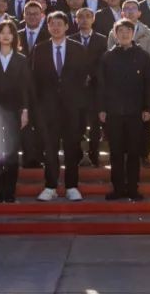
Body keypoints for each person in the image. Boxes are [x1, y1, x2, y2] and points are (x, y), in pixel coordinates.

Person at [31, 11, 91, 201]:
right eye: (52, 24)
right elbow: (35, 80)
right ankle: (50, 186)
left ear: (66, 26)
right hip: (48, 109)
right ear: (48, 26)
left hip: (72, 108)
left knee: (72, 148)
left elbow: (83, 77)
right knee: (50, 148)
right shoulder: (39, 49)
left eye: (59, 24)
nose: (56, 27)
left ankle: (72, 186)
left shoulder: (78, 48)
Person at [98, 19, 150, 201]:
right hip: (113, 112)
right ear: (115, 34)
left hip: (136, 112)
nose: (124, 34)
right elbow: (102, 86)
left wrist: (147, 107)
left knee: (133, 152)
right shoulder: (108, 57)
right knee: (115, 152)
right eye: (120, 31)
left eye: (128, 31)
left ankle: (132, 188)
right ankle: (117, 188)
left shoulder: (143, 56)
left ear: (133, 33)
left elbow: (149, 84)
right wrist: (102, 108)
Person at [0, 21, 32, 202]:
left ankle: (10, 190)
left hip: (14, 111)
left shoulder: (22, 59)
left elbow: (25, 87)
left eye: (10, 32)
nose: (6, 35)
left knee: (11, 152)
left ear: (14, 36)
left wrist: (25, 110)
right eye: (2, 32)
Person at [73, 8, 108, 166]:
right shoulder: (71, 39)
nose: (84, 19)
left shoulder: (102, 39)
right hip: (77, 89)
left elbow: (103, 62)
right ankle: (77, 155)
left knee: (95, 126)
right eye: (80, 17)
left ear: (93, 19)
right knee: (77, 125)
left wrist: (91, 75)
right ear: (76, 20)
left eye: (88, 16)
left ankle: (94, 155)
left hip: (95, 88)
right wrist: (81, 76)